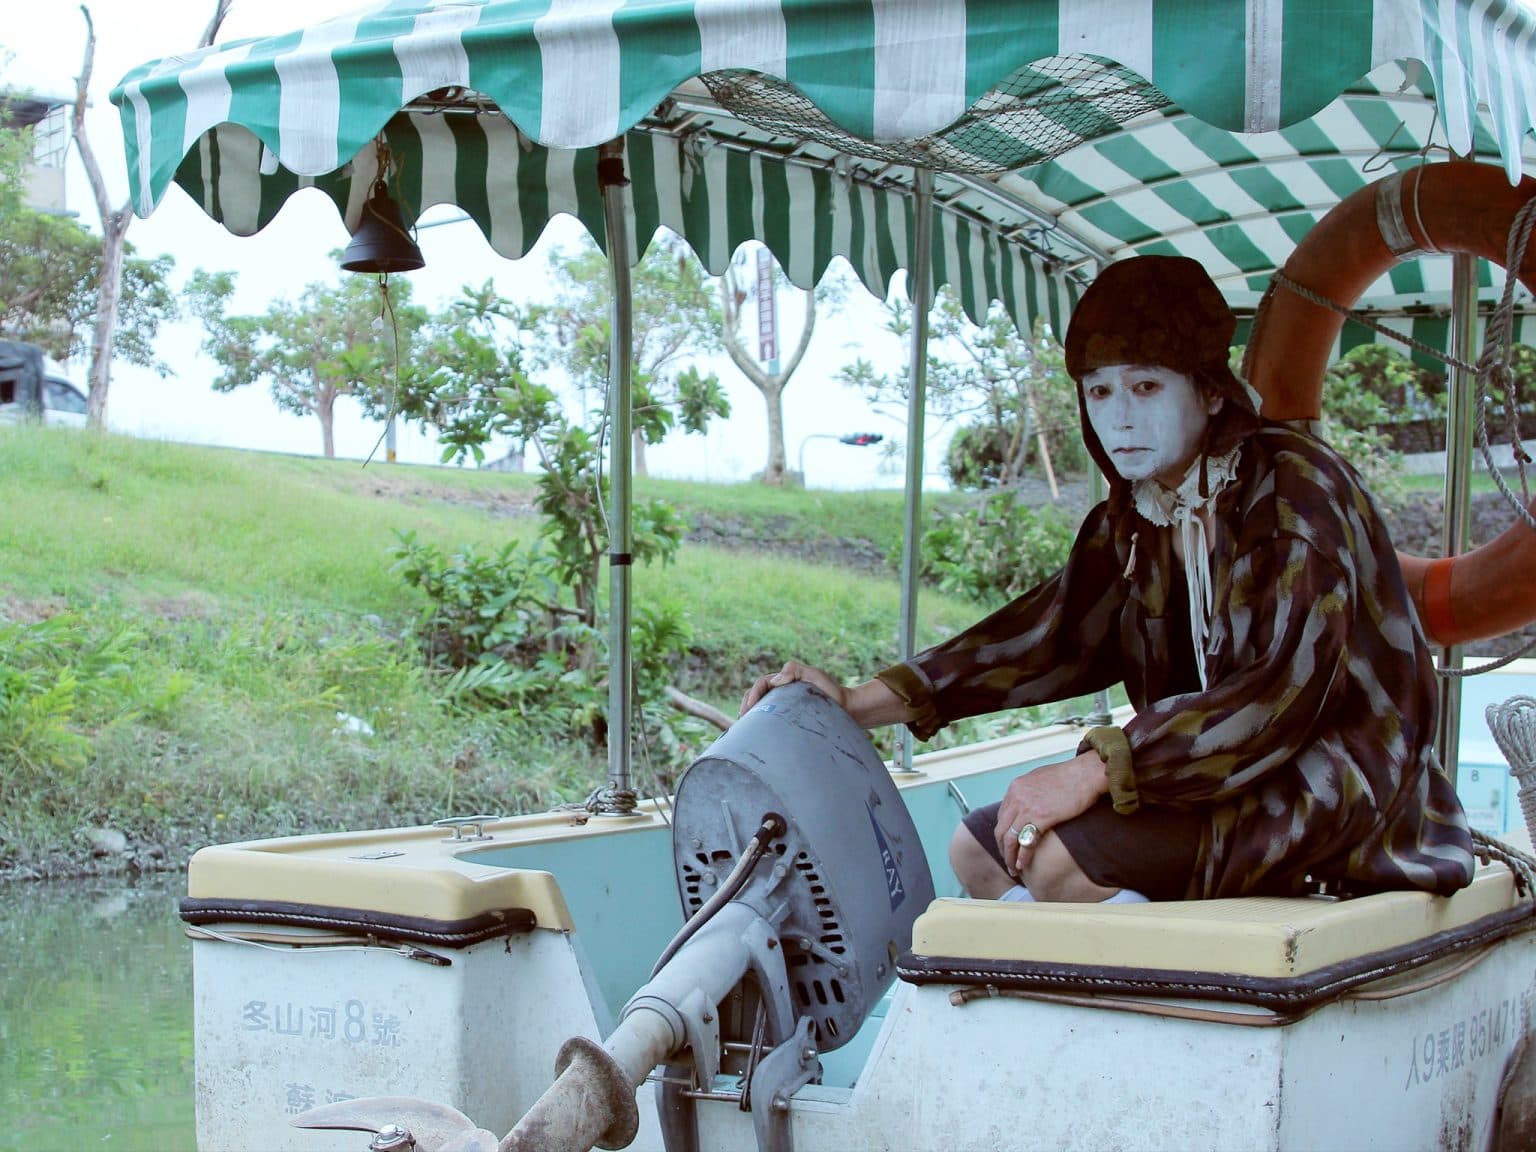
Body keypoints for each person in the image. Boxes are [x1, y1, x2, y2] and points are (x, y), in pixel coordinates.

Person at [741, 254, 1474, 905]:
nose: (1119, 419)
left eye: (1146, 387)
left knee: (1056, 863)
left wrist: (1099, 769)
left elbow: (1278, 694)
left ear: (1211, 392)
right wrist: (856, 703)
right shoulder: (1136, 519)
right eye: (1098, 392)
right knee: (981, 852)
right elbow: (1046, 638)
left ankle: (1156, 987)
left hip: (1331, 789)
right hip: (1205, 779)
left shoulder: (1292, 494)